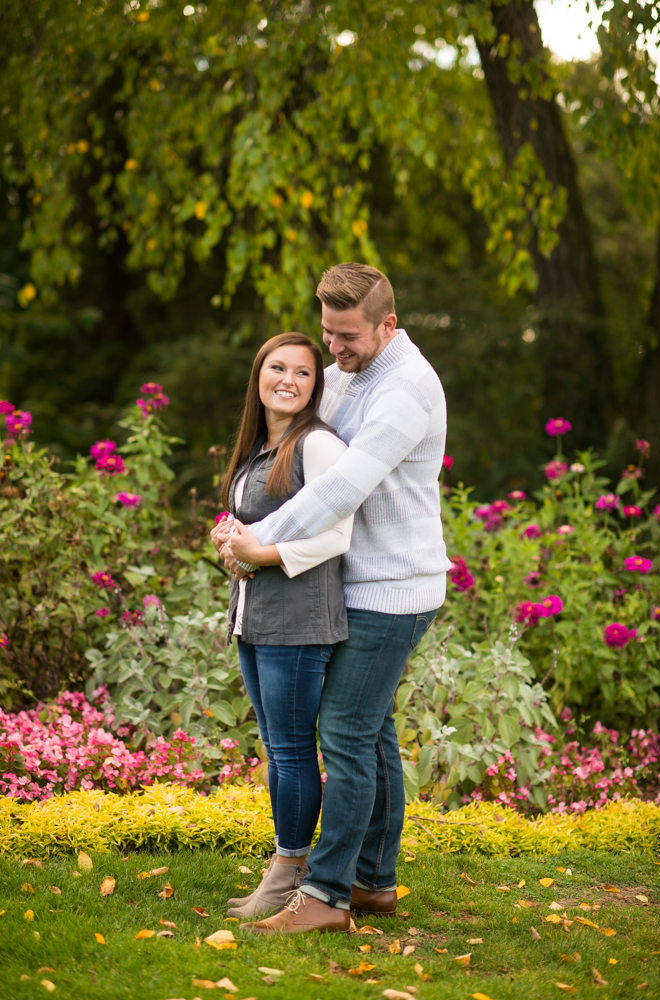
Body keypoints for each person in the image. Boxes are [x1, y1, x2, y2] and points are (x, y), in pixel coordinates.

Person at [212, 262, 450, 934]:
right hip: (355, 582)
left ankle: (323, 897)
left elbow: (339, 490)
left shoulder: (404, 389)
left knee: (343, 733)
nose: (335, 353)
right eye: (328, 335)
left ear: (388, 324)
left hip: (391, 589)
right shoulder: (350, 370)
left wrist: (259, 539)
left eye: (348, 338)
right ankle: (372, 882)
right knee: (370, 735)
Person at [217, 332, 353, 920]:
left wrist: (258, 554)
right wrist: (227, 539)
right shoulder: (257, 449)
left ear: (313, 386)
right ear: (259, 376)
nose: (289, 380)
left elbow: (337, 536)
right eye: (278, 368)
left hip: (300, 622)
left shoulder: (317, 445)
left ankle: (289, 874)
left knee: (293, 752)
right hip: (256, 618)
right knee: (277, 750)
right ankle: (283, 866)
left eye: (303, 372)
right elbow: (248, 524)